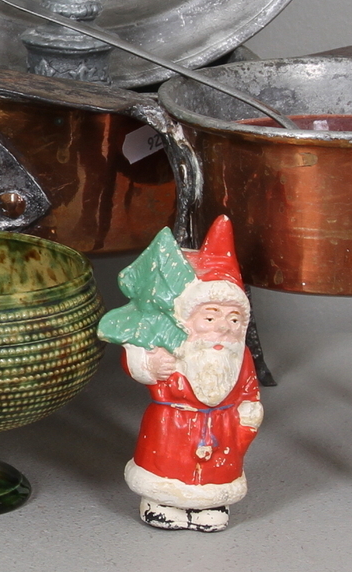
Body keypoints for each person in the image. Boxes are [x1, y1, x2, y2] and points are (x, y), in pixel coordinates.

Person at [98, 216, 262, 532]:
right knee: (165, 463)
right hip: (172, 422)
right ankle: (161, 502)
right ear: (188, 319)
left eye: (233, 320)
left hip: (222, 425)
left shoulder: (238, 355)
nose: (223, 328)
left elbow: (249, 388)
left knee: (217, 471)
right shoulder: (172, 346)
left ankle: (211, 504)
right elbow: (134, 359)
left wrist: (249, 412)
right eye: (210, 318)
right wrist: (149, 367)